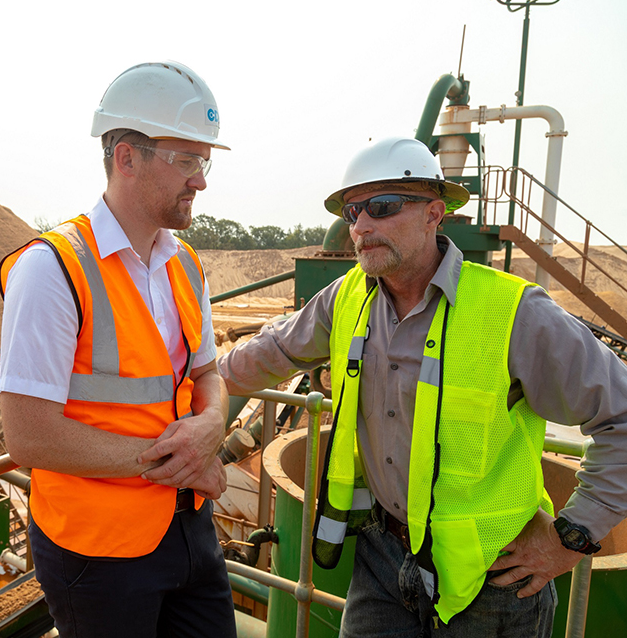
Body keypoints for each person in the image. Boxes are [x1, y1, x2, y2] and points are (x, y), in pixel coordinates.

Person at [218, 137, 627, 636]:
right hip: (381, 558)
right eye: (352, 212)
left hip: (494, 578)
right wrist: (181, 388)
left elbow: (621, 415)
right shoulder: (346, 300)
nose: (361, 226)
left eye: (383, 207)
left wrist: (572, 535)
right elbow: (266, 355)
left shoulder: (514, 313)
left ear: (435, 213)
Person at [0, 61, 237, 638]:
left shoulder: (185, 264)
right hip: (98, 553)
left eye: (203, 162)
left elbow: (208, 375)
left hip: (190, 533)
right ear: (126, 157)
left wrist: (212, 425)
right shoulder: (51, 270)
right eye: (185, 159)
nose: (200, 181)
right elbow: (27, 436)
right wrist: (178, 460)